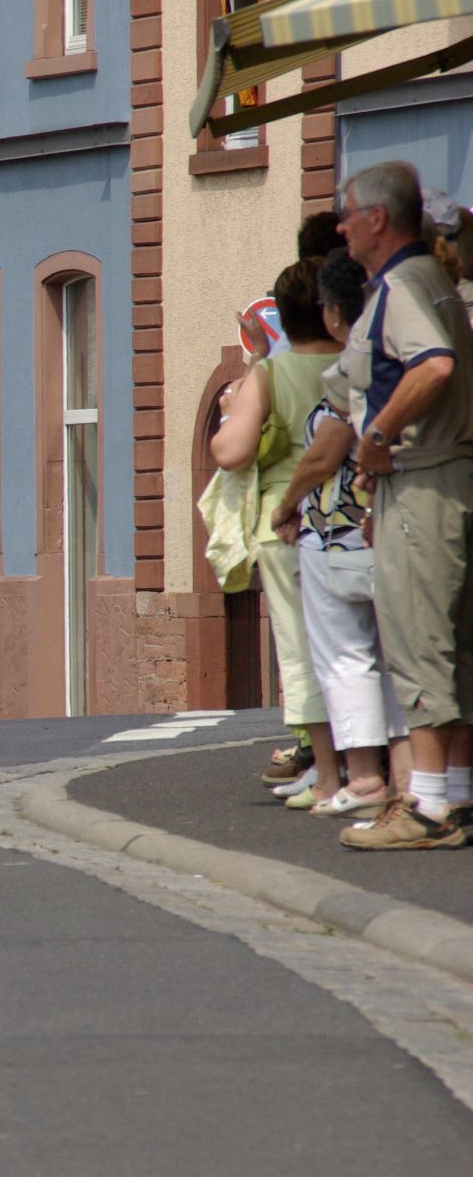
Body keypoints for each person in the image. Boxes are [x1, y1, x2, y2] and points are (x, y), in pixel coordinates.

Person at [336, 161, 473, 849]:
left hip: (421, 480)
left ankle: (425, 807)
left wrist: (379, 434)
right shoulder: (436, 280)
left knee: (419, 639)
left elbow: (433, 364)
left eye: (347, 212)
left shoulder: (400, 287)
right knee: (456, 642)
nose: (340, 225)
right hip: (451, 475)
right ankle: (456, 792)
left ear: (376, 219)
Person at [268, 249, 411, 818]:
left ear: (333, 313)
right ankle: (409, 778)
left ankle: (367, 777)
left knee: (346, 659)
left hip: (338, 535)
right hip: (391, 530)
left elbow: (326, 450)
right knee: (402, 660)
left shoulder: (357, 361)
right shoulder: (402, 352)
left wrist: (287, 502)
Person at [211, 257, 337, 808]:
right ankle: (371, 767)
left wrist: (229, 415)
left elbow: (232, 452)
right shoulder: (352, 362)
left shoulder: (272, 373)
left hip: (284, 525)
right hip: (351, 520)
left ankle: (324, 768)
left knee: (301, 649)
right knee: (353, 649)